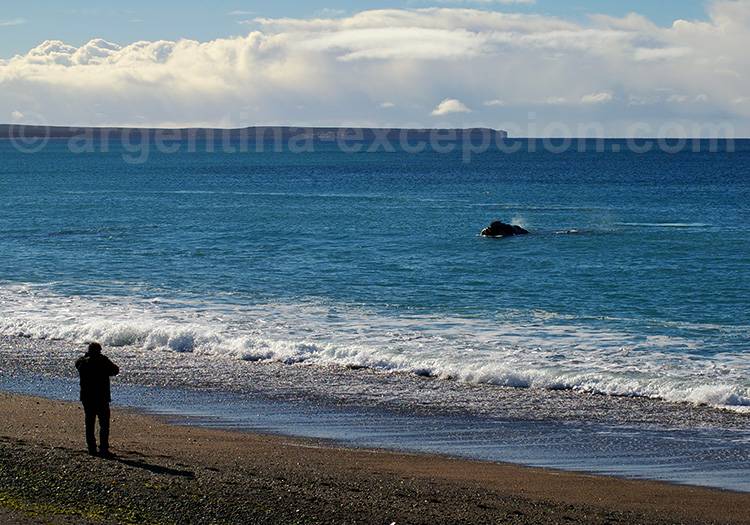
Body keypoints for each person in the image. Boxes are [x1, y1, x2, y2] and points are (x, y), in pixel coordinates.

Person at [75, 342, 119, 457]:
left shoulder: (82, 362)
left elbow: (77, 363)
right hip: (101, 397)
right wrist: (104, 358)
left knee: (89, 423)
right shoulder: (103, 361)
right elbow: (115, 370)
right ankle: (103, 449)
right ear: (99, 351)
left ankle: (91, 448)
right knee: (104, 424)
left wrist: (86, 355)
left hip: (87, 397)